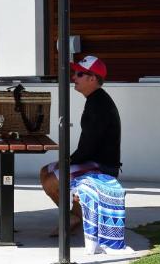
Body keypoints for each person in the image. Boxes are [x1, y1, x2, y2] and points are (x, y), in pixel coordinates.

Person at [39, 55, 121, 232]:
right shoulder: (95, 100)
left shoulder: (99, 104)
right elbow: (88, 145)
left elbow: (89, 146)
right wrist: (69, 160)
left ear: (92, 78)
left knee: (53, 179)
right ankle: (75, 216)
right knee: (45, 172)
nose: (73, 77)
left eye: (79, 74)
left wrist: (68, 161)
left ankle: (79, 217)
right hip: (92, 161)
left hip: (103, 167)